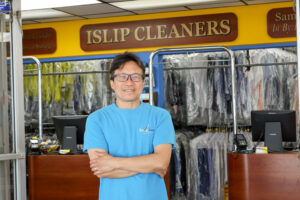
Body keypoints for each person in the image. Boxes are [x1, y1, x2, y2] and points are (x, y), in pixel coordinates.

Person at [83, 52, 176, 200]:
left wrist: (112, 162)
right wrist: (149, 165)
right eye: (122, 77)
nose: (129, 82)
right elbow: (100, 168)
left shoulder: (161, 116)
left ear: (143, 81)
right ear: (112, 83)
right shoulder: (96, 119)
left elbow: (161, 163)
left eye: (135, 77)